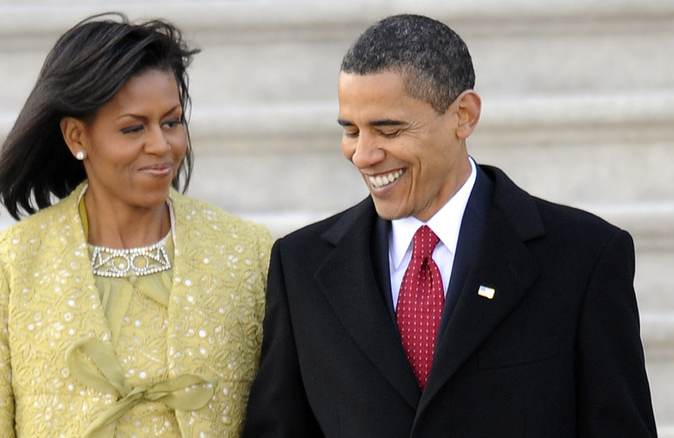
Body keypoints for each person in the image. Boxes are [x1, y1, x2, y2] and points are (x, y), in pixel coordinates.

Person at [243, 13, 657, 438]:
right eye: (351, 130)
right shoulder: (300, 266)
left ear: (463, 115)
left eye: (388, 130)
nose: (363, 155)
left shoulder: (584, 257)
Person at [0, 12, 272, 437]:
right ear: (77, 137)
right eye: (133, 128)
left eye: (172, 122)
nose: (160, 145)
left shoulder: (249, 254)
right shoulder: (6, 267)